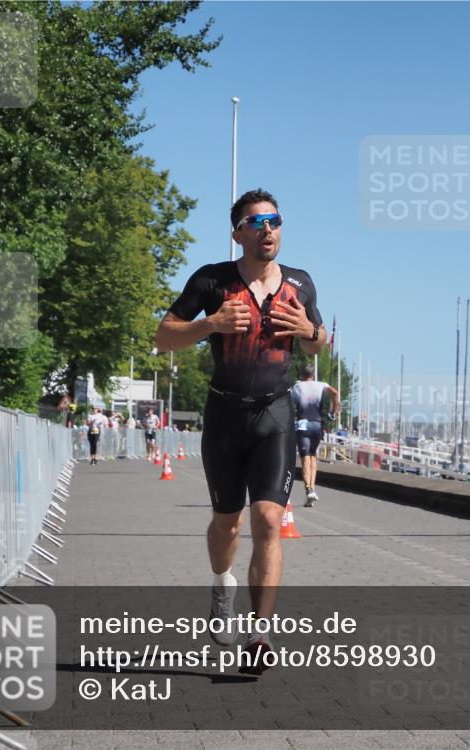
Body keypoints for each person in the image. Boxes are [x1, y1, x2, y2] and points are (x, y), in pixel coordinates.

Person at [155, 188, 324, 675]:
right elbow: (163, 336)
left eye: (274, 220)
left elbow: (317, 346)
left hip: (275, 415)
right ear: (237, 233)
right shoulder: (211, 280)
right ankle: (220, 582)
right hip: (225, 416)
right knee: (227, 523)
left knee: (269, 521)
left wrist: (307, 330)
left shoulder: (300, 283)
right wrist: (210, 324)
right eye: (256, 222)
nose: (267, 229)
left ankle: (259, 633)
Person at [290, 364, 340, 506]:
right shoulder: (321, 385)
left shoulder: (297, 387)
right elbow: (335, 393)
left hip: (302, 424)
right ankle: (312, 490)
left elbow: (288, 401)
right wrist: (334, 412)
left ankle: (308, 489)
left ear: (301, 375)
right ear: (313, 375)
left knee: (305, 457)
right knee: (313, 456)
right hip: (317, 424)